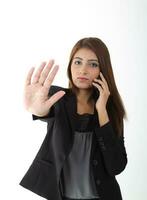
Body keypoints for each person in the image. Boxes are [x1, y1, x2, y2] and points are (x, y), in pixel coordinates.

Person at [19, 37, 128, 200]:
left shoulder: (110, 109)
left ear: (102, 70)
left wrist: (101, 111)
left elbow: (116, 167)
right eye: (77, 62)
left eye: (93, 64)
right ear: (70, 66)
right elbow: (45, 110)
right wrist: (37, 110)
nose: (83, 70)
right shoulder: (58, 97)